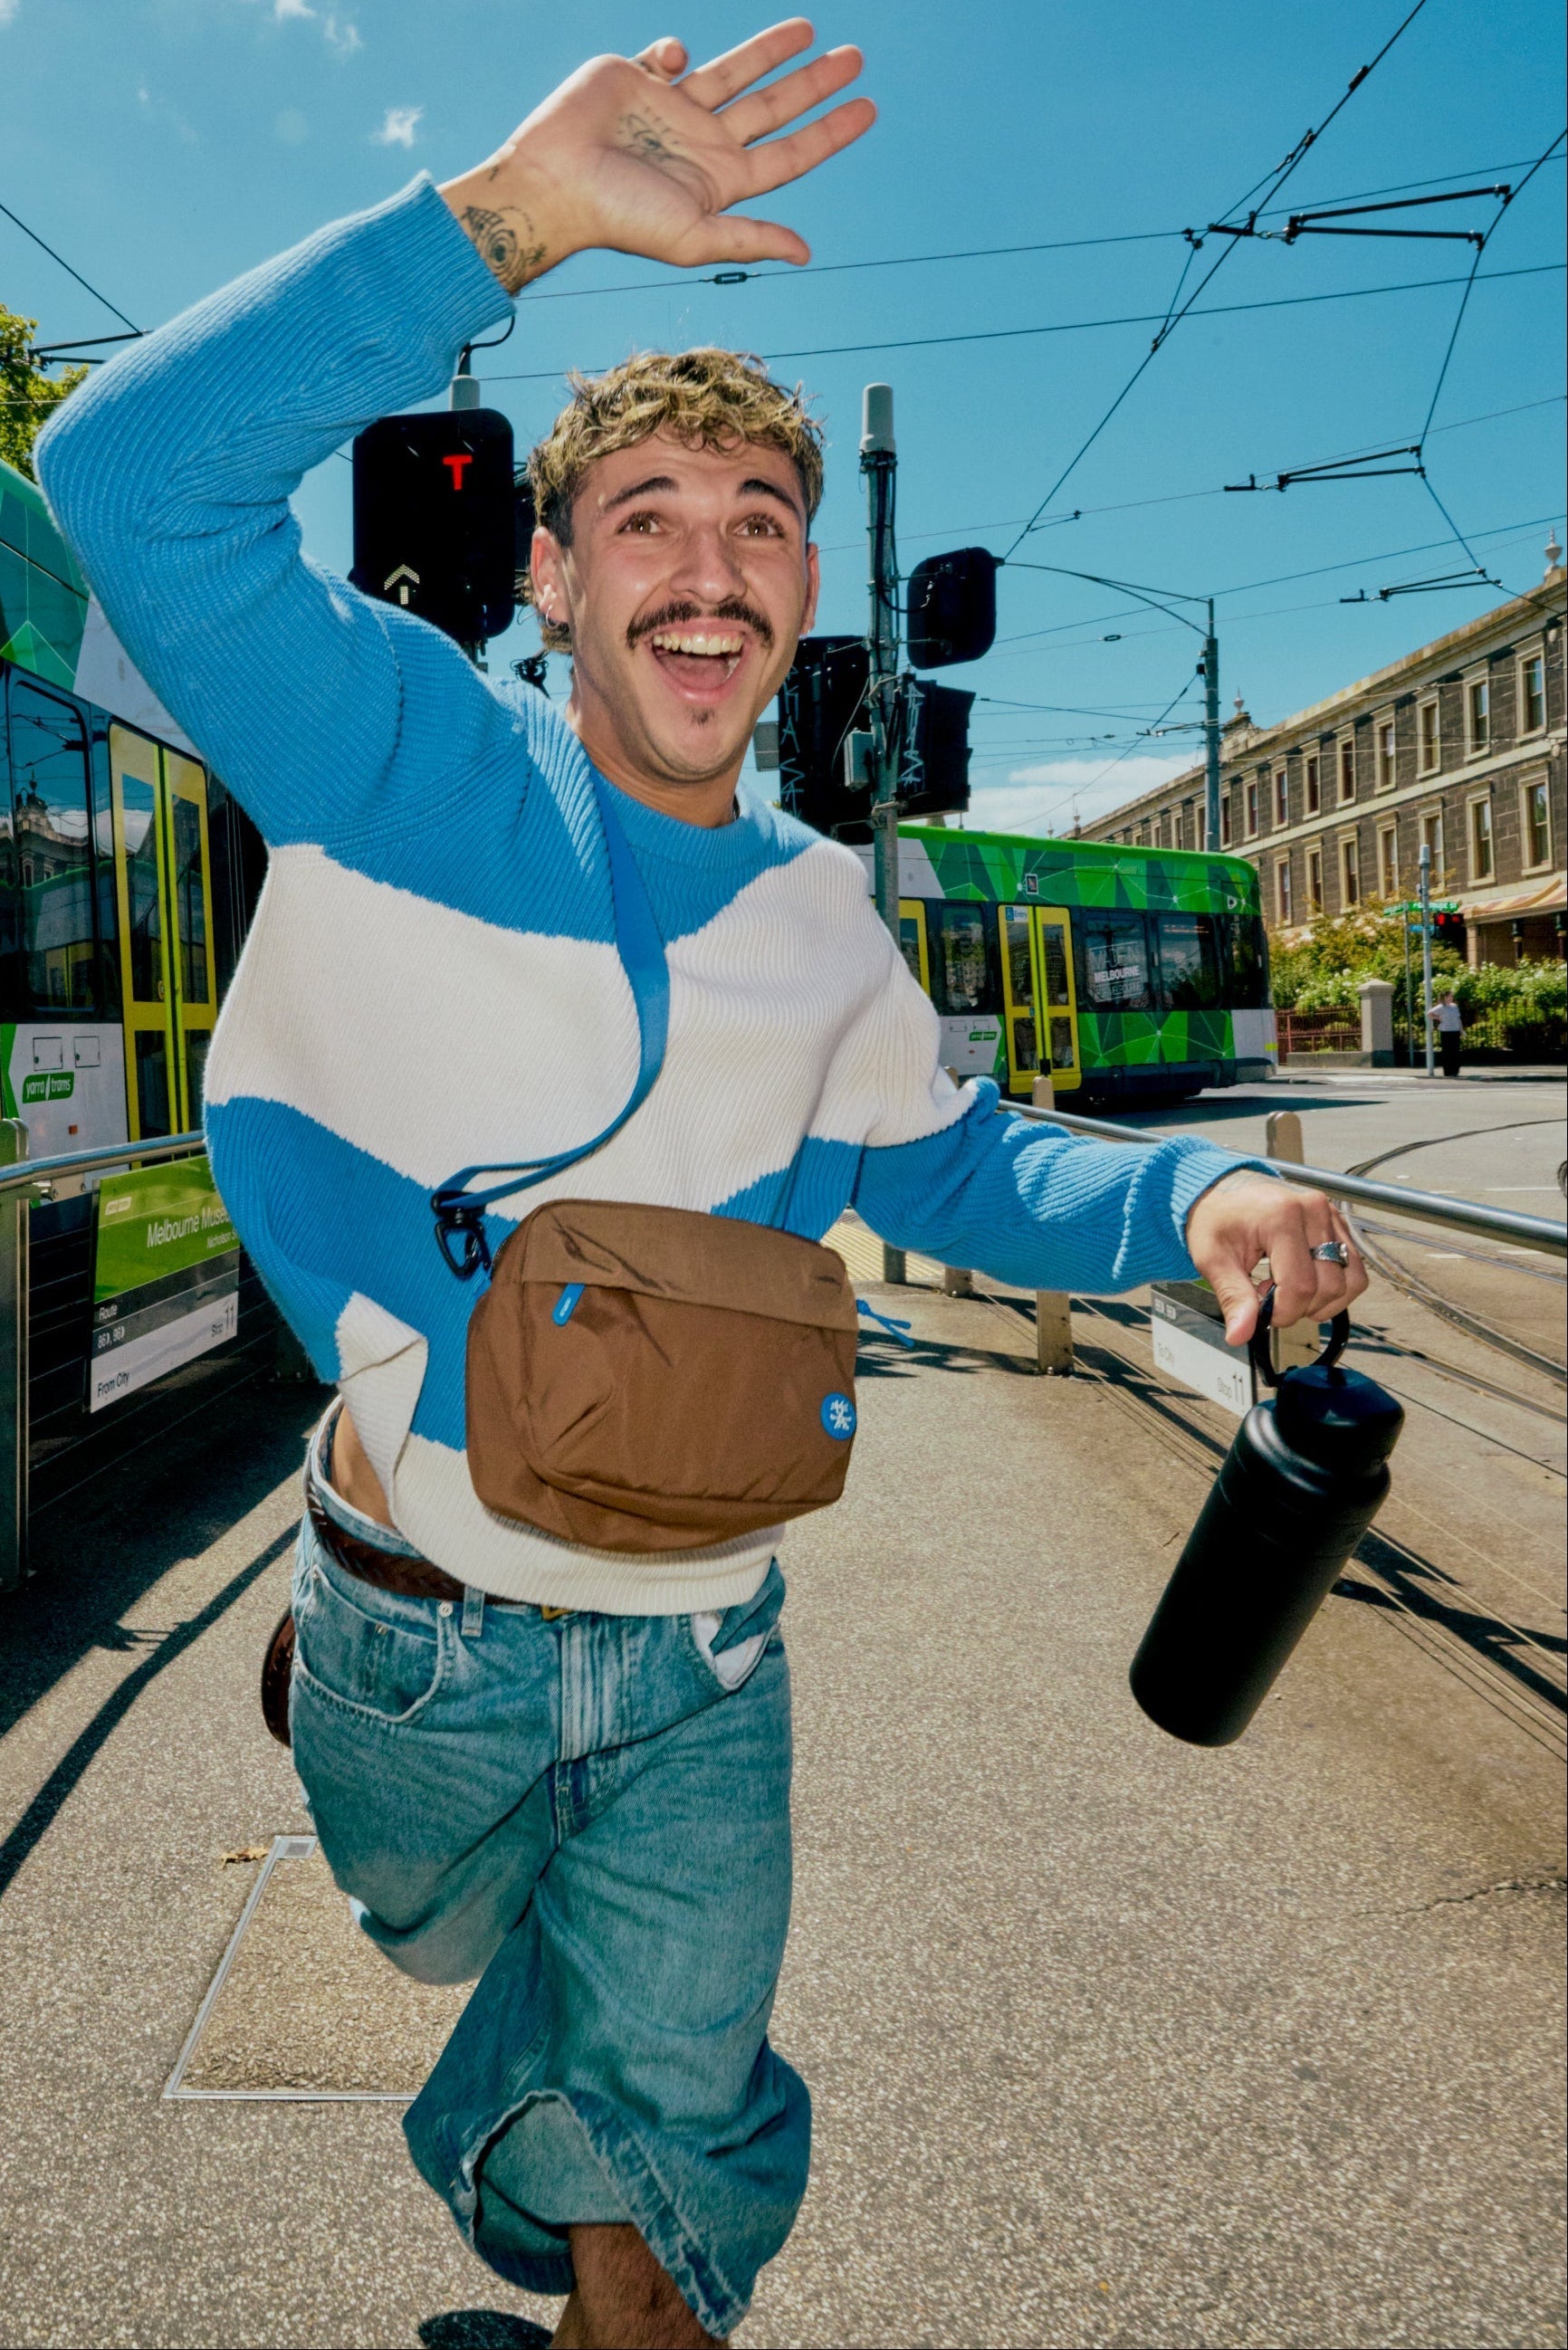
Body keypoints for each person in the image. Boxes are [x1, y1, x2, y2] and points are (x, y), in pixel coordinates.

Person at [37, 24, 1368, 2345]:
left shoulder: (824, 915)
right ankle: (366, 1739)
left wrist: (1192, 1214)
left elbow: (951, 1159)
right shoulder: (396, 744)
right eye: (642, 514)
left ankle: (619, 2246)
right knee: (451, 1943)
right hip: (415, 1629)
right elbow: (125, 479)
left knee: (660, 2198)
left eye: (756, 524)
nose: (705, 561)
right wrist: (501, 223)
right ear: (549, 573)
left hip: (701, 1644)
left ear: (799, 599)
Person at [1430, 987, 1465, 1077]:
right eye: (1450, 996)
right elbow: (1429, 1014)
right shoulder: (1441, 1007)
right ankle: (1448, 1071)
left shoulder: (1454, 1006)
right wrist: (1438, 1018)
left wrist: (1461, 1030)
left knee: (1456, 1052)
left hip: (1455, 1031)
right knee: (1447, 1052)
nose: (1452, 997)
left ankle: (1455, 1071)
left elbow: (1458, 1019)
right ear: (1445, 997)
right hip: (1446, 1032)